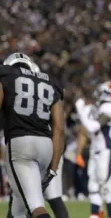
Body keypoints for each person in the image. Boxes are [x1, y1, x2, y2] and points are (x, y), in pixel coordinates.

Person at [1, 53, 65, 218]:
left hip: (21, 145)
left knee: (36, 208)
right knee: (18, 208)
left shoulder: (6, 75)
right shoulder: (50, 81)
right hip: (46, 146)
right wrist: (53, 168)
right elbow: (59, 128)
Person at [75, 82, 111, 218]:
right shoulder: (100, 108)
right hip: (97, 151)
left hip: (106, 152)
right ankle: (94, 215)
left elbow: (92, 127)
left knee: (106, 187)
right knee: (93, 187)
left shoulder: (109, 109)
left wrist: (80, 111)